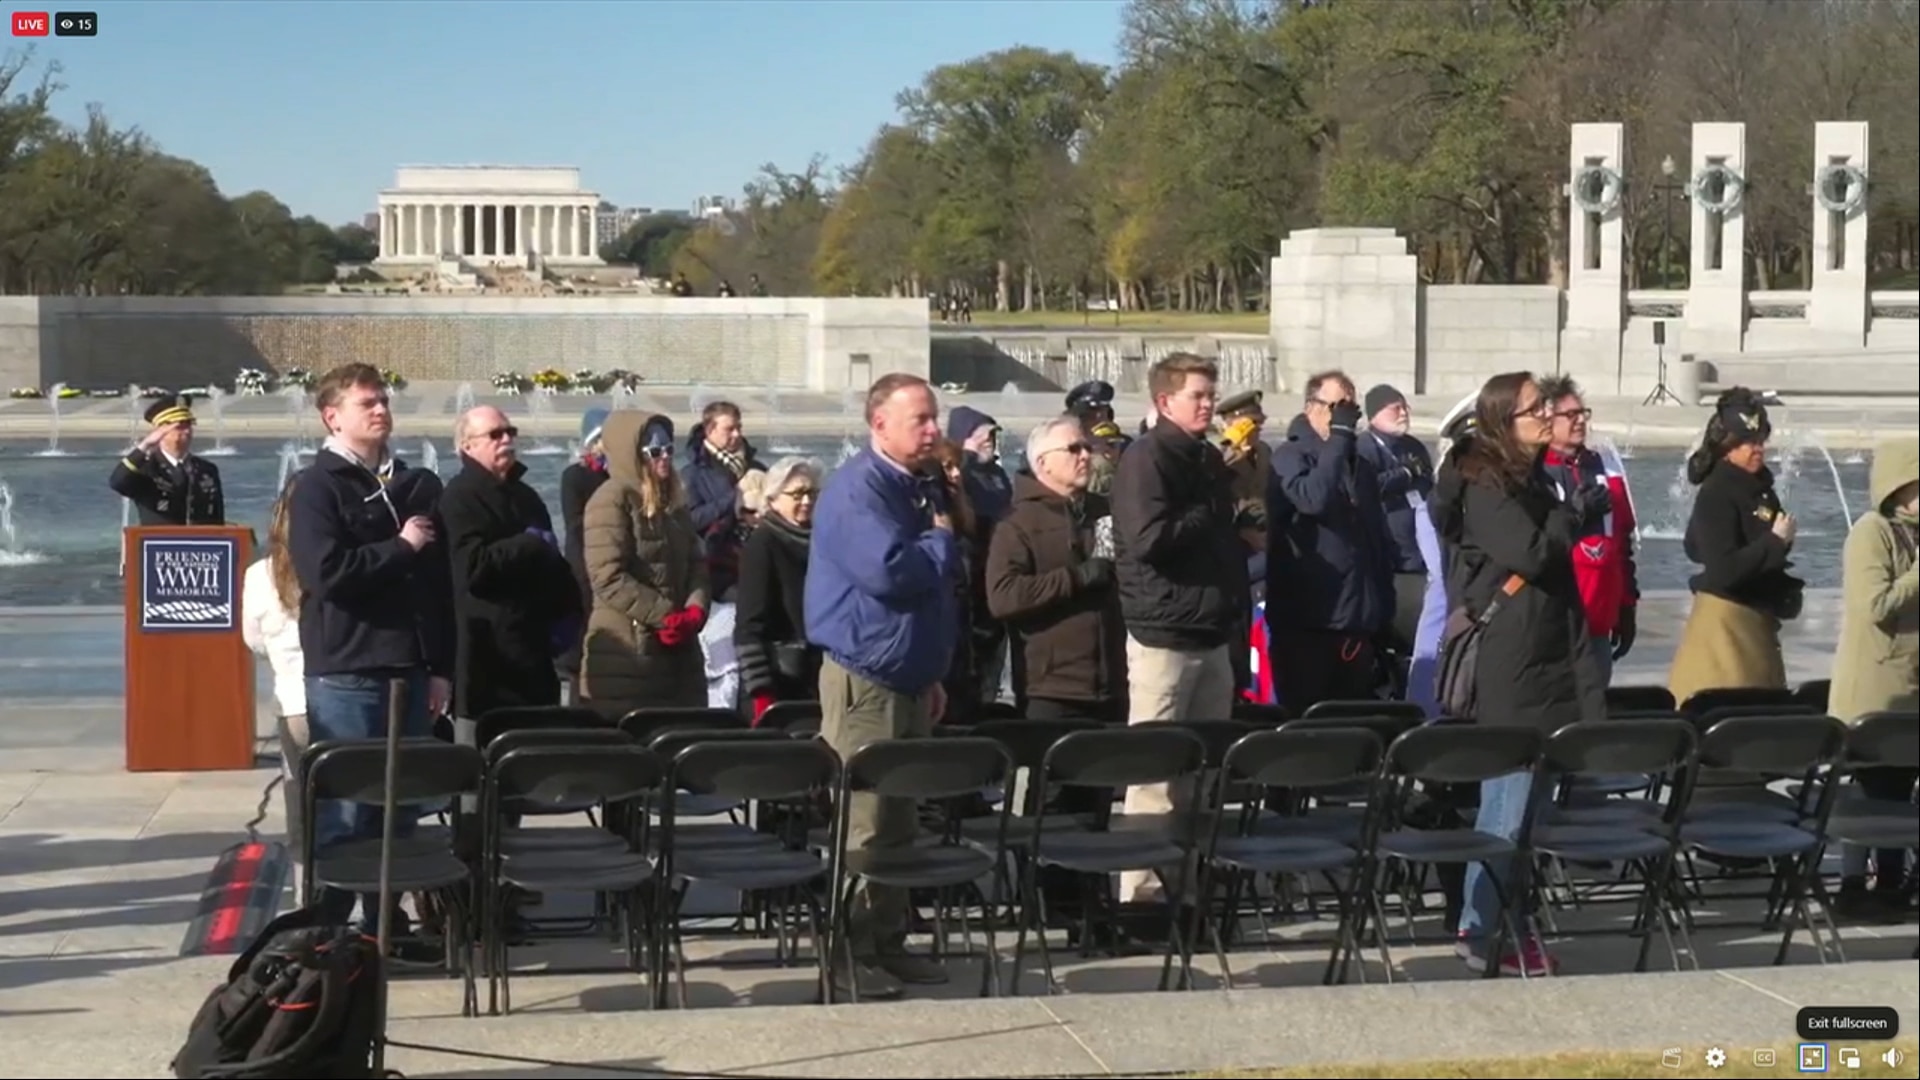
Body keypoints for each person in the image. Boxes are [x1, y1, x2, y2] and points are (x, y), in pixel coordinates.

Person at [1429, 371, 1604, 976]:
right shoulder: (1486, 483)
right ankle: (1482, 929)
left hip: (1547, 655)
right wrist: (1570, 518)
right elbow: (1528, 553)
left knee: (1527, 810)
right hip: (1514, 662)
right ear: (1507, 421)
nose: (1548, 416)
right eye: (1536, 409)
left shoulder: (1532, 478)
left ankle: (1505, 920)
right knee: (1505, 806)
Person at [285, 362, 453, 953]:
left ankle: (385, 929)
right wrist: (399, 546)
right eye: (366, 403)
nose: (380, 410)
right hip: (349, 669)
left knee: (400, 808)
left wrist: (437, 666)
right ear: (332, 416)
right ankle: (325, 941)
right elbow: (326, 574)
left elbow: (433, 587)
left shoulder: (406, 484)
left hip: (406, 668)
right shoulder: (318, 486)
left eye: (383, 400)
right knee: (350, 811)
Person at [805, 372, 959, 998]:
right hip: (864, 681)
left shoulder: (914, 488)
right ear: (879, 425)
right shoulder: (856, 492)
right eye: (919, 420)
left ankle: (887, 943)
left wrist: (933, 671)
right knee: (864, 823)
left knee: (901, 823)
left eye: (934, 418)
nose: (933, 431)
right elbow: (891, 572)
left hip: (911, 677)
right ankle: (847, 954)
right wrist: (943, 543)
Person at [1111, 352, 1243, 907]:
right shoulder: (1147, 458)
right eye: (1198, 396)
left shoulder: (1207, 457)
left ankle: (1186, 888)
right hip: (1163, 633)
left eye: (1211, 395)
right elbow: (1147, 539)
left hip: (1210, 631)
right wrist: (1205, 512)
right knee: (1154, 778)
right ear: (1165, 402)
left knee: (1201, 774)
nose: (1209, 405)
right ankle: (1142, 898)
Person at [1266, 371, 1395, 712]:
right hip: (1309, 625)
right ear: (1312, 408)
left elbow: (1376, 537)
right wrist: (1338, 437)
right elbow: (1314, 500)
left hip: (1356, 623)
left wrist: (1382, 608)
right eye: (1336, 408)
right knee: (1308, 724)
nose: (1345, 418)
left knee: (1352, 726)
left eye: (1350, 409)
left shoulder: (1360, 466)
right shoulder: (1289, 457)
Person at [438, 406, 578, 720]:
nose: (506, 440)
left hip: (535, 655)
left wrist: (568, 610)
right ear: (468, 445)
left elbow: (551, 558)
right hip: (487, 663)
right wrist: (527, 544)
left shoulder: (526, 496)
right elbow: (471, 568)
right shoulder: (458, 497)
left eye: (510, 432)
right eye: (495, 434)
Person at [1827, 436, 1918, 920]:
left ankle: (1893, 881)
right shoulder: (1872, 531)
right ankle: (1856, 885)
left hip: (1912, 690)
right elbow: (1873, 606)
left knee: (1899, 791)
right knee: (1874, 790)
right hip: (1876, 693)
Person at [1667, 388, 1803, 708]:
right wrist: (1774, 542)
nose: (1758, 449)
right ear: (1727, 447)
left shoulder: (1758, 487)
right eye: (1747, 442)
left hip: (1756, 621)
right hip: (1726, 629)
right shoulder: (1718, 491)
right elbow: (1723, 570)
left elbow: (1694, 545)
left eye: (1760, 441)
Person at [986, 415, 1126, 723]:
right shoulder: (1017, 522)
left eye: (1087, 448)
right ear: (1043, 462)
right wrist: (1076, 578)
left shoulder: (1103, 510)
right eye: (1074, 449)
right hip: (1051, 690)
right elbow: (1003, 596)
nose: (1086, 456)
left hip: (1114, 683)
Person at [580, 413, 710, 718]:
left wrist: (695, 610)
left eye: (668, 450)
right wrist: (666, 616)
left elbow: (697, 563)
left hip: (682, 657)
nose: (664, 458)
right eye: (654, 452)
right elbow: (607, 576)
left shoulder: (674, 501)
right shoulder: (610, 499)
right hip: (627, 656)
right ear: (632, 454)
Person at [1535, 376, 1640, 685]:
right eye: (1570, 415)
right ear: (1547, 420)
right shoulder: (1533, 472)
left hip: (1598, 622)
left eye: (1583, 413)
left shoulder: (1604, 467)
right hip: (1552, 624)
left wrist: (1627, 605)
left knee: (1593, 717)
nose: (1580, 421)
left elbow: (1622, 541)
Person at [241, 473, 307, 892]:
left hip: (294, 700)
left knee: (301, 801)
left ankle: (306, 890)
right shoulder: (344, 562)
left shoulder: (258, 574)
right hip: (346, 696)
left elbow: (253, 641)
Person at [734, 457, 824, 723]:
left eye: (811, 493)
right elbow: (748, 626)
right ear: (773, 498)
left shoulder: (822, 540)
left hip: (818, 678)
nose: (806, 501)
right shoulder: (763, 543)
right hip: (779, 682)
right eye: (797, 494)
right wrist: (760, 691)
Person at [1356, 384, 1435, 662]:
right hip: (1389, 554)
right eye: (1395, 408)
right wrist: (1403, 474)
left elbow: (1427, 481)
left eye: (1405, 407)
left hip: (1419, 548)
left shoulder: (1412, 445)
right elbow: (1366, 487)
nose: (1403, 414)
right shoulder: (1363, 447)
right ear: (1376, 415)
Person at [929, 440, 990, 723]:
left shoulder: (967, 525)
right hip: (937, 655)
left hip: (966, 653)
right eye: (947, 468)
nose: (955, 475)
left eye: (957, 467)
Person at [683, 401, 765, 602]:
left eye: (739, 427)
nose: (737, 434)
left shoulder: (756, 467)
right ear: (710, 431)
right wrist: (734, 498)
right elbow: (690, 520)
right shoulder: (692, 474)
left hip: (759, 561)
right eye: (729, 429)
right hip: (719, 570)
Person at [556, 409, 612, 691]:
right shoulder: (575, 476)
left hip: (613, 560)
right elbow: (575, 524)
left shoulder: (621, 477)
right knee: (584, 623)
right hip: (584, 561)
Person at [109, 395, 226, 525]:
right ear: (160, 431)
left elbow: (217, 517)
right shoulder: (147, 468)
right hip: (159, 543)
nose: (186, 431)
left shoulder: (206, 469)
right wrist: (144, 446)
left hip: (202, 543)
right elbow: (117, 483)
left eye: (188, 425)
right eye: (179, 426)